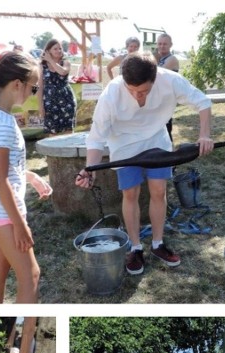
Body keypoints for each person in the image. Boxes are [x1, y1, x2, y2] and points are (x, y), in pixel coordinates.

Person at [76, 52, 214, 275]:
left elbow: (203, 102)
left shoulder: (170, 80)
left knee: (158, 191)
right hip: (123, 145)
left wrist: (205, 134)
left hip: (156, 140)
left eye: (144, 91)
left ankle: (158, 244)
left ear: (155, 78)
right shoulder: (111, 92)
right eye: (133, 91)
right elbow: (97, 136)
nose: (139, 97)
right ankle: (136, 247)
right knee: (130, 193)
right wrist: (90, 169)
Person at [0, 51, 52, 303]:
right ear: (18, 84)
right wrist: (19, 223)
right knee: (31, 275)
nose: (34, 93)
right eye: (34, 87)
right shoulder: (4, 124)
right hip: (1, 211)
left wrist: (30, 176)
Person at [38, 39, 76, 135]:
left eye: (60, 48)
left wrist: (50, 60)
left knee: (68, 130)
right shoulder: (42, 66)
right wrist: (41, 106)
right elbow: (40, 86)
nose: (59, 51)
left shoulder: (66, 63)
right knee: (52, 132)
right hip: (50, 102)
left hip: (66, 100)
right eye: (55, 49)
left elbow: (62, 72)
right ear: (48, 51)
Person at [154, 34, 180, 141]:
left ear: (171, 45)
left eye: (165, 44)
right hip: (157, 96)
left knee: (166, 126)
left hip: (167, 97)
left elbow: (156, 73)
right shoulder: (159, 58)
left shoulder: (172, 59)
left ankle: (169, 153)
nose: (162, 46)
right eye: (159, 44)